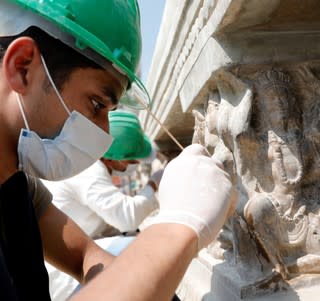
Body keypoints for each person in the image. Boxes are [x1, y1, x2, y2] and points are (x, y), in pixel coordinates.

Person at [0, 1, 235, 301]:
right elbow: (128, 223)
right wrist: (180, 226)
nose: (105, 134)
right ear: (22, 67)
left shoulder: (19, 187)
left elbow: (85, 256)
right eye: (97, 104)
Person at [44, 110, 159, 239]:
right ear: (110, 159)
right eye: (131, 160)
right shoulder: (89, 173)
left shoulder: (83, 159)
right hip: (72, 250)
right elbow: (126, 218)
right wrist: (153, 184)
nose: (134, 164)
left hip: (89, 236)